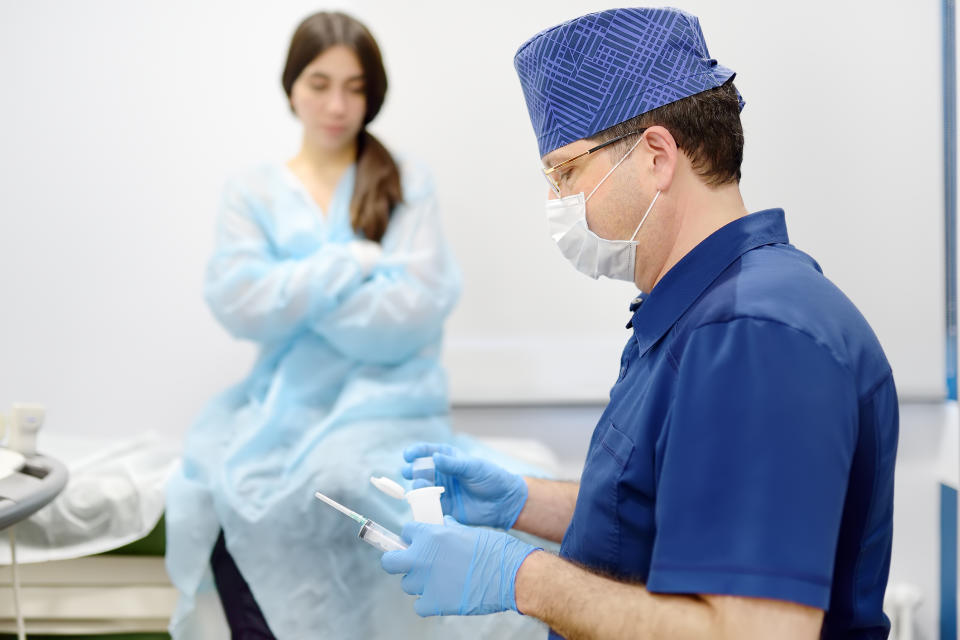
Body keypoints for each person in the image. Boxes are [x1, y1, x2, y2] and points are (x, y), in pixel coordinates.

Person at [381, 7, 898, 640]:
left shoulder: (755, 336)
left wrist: (524, 578)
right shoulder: (700, 314)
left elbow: (757, 632)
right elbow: (676, 513)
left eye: (566, 171)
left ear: (656, 155)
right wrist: (524, 502)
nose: (556, 203)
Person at [165, 11, 545, 640]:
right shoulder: (251, 192)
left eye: (355, 86)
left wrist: (295, 291)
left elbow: (409, 313)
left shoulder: (407, 182)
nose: (337, 104)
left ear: (374, 93)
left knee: (350, 476)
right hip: (282, 403)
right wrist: (353, 263)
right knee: (223, 488)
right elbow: (239, 302)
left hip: (389, 398)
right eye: (319, 83)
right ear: (292, 86)